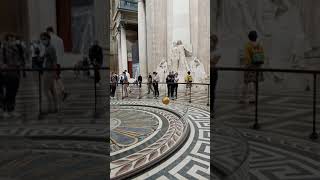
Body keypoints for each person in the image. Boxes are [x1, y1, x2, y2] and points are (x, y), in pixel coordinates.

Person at [1, 34, 22, 118]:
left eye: (13, 40)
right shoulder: (3, 49)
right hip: (7, 73)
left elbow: (20, 59)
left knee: (14, 92)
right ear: (6, 41)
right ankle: (5, 110)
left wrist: (19, 64)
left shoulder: (17, 49)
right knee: (8, 93)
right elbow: (1, 61)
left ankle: (12, 109)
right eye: (10, 40)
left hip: (16, 73)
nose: (12, 42)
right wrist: (4, 66)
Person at [241, 30, 265, 104]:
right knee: (255, 83)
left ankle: (244, 98)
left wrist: (247, 65)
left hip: (250, 66)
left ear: (249, 37)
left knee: (246, 82)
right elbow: (262, 55)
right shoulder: (259, 45)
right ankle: (254, 98)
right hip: (257, 66)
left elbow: (247, 57)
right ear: (256, 37)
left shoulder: (248, 45)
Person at [46, 26, 69, 101]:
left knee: (54, 78)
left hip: (52, 62)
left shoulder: (49, 40)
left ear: (48, 32)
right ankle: (61, 92)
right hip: (58, 62)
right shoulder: (60, 39)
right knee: (57, 77)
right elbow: (62, 52)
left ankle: (61, 92)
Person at [40, 32, 59, 114]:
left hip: (49, 71)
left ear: (48, 39)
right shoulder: (48, 47)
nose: (43, 41)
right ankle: (55, 107)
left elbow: (54, 60)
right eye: (42, 39)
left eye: (44, 39)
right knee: (52, 90)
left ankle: (50, 107)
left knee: (45, 90)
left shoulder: (50, 48)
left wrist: (55, 71)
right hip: (49, 70)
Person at [211, 34, 221, 113]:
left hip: (213, 71)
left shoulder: (217, 51)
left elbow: (214, 61)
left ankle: (211, 108)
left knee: (212, 90)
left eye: (211, 42)